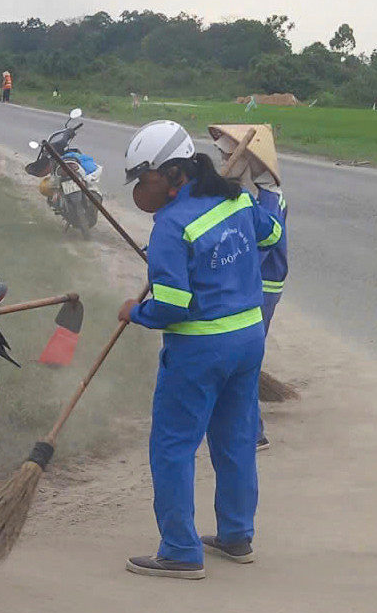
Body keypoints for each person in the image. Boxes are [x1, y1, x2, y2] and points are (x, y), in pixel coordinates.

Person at [117, 121, 283, 580]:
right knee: (234, 441)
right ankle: (235, 536)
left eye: (143, 179)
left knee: (172, 447)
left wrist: (134, 312)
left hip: (199, 350)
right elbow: (270, 235)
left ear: (173, 173)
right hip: (247, 342)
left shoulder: (171, 227)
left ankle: (179, 551)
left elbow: (171, 306)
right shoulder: (237, 198)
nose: (140, 190)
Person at [209, 124, 288, 452]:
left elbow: (257, 249)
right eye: (223, 154)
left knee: (241, 361)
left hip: (262, 287)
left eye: (230, 155)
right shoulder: (242, 193)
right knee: (241, 358)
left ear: (249, 158)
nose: (224, 160)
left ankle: (253, 433)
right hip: (248, 285)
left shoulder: (267, 200)